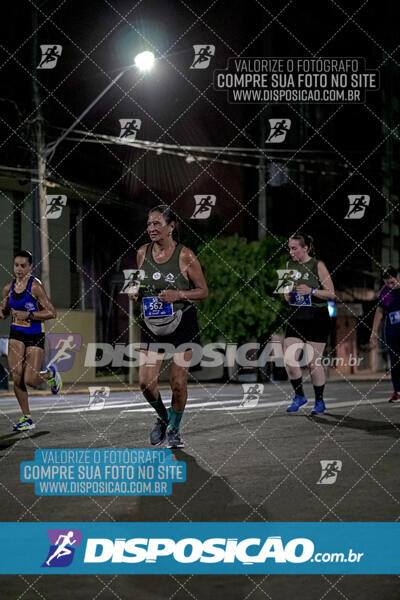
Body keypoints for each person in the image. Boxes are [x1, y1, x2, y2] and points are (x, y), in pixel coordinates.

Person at [129, 206, 208, 448]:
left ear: (171, 226)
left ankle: (174, 429)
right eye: (149, 224)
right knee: (145, 382)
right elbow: (137, 280)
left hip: (182, 322)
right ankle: (164, 418)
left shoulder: (186, 256)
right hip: (153, 324)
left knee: (178, 382)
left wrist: (179, 295)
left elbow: (203, 291)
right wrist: (133, 290)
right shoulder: (142, 253)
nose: (151, 228)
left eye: (157, 224)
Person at [0, 250, 62, 431]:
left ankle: (50, 375)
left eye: (23, 266)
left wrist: (29, 315)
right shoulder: (7, 288)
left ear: (30, 267)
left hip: (35, 334)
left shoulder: (35, 287)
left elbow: (52, 312)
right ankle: (26, 418)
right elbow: (3, 312)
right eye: (16, 265)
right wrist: (3, 311)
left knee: (31, 380)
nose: (19, 269)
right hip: (16, 334)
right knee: (17, 376)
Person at [283, 233, 335, 415]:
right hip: (297, 315)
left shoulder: (317, 265)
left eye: (294, 248)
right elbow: (286, 293)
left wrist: (311, 291)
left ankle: (319, 401)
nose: (291, 252)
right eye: (289, 248)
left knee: (313, 363)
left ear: (305, 248)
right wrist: (287, 294)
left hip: (317, 316)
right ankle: (299, 396)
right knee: (289, 359)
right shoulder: (289, 265)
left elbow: (331, 293)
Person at [370, 266, 400, 403]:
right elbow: (380, 312)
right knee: (394, 362)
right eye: (387, 283)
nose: (390, 286)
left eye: (392, 283)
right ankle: (397, 391)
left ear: (398, 277)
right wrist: (374, 332)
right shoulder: (384, 292)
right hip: (392, 331)